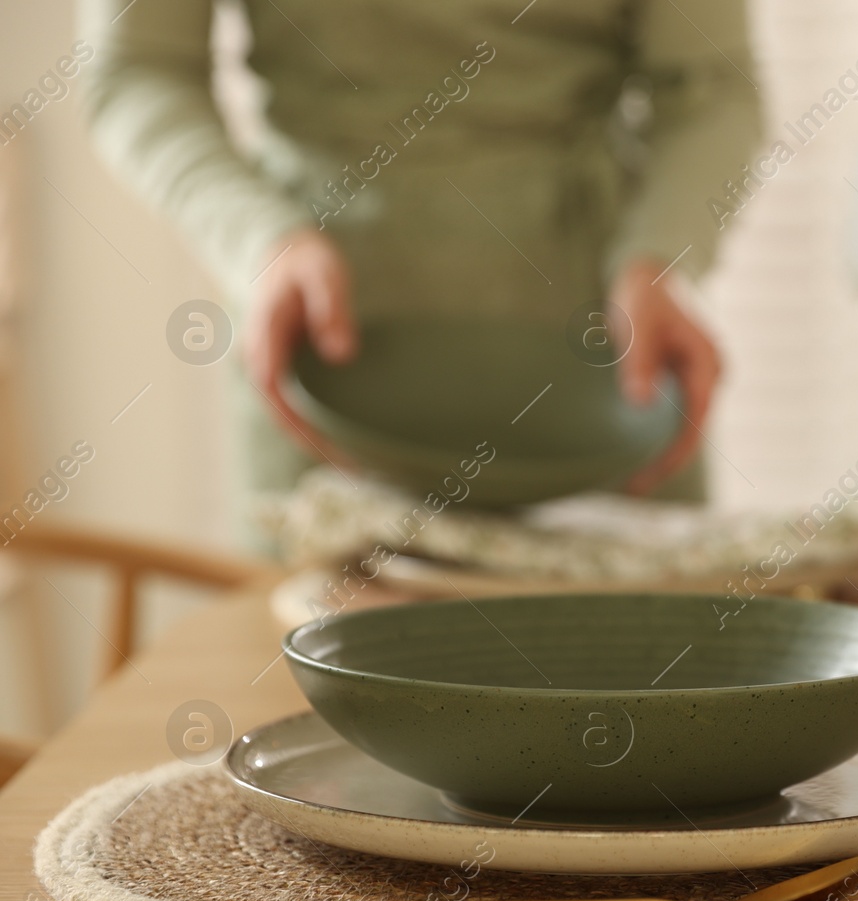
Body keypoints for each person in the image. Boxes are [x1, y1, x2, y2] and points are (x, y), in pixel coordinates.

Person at [79, 0, 760, 534]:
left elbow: (713, 90)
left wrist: (660, 258)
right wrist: (265, 244)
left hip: (599, 365)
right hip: (318, 347)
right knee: (296, 699)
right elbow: (138, 70)